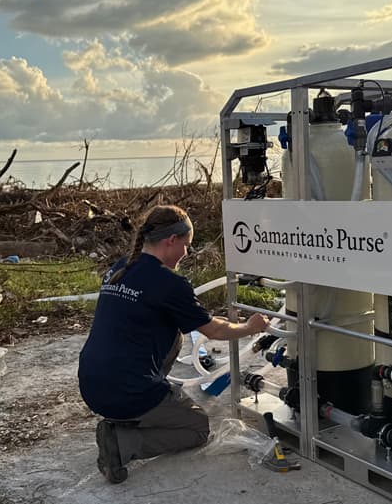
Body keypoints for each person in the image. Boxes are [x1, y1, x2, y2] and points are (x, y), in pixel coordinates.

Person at [78, 205, 269, 483]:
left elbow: (187, 316)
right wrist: (250, 328)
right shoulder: (169, 283)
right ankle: (122, 442)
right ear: (172, 241)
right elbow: (213, 330)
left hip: (92, 383)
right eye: (187, 246)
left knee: (175, 333)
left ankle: (135, 415)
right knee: (197, 428)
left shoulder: (120, 268)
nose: (186, 254)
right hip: (126, 390)